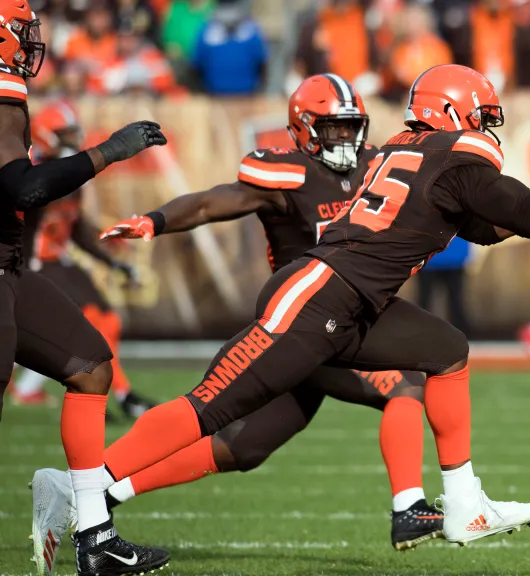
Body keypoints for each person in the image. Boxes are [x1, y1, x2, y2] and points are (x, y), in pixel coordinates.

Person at [46, 63, 530, 549]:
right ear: (454, 115)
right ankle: (82, 491)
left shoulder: (411, 154)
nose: (486, 128)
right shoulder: (450, 159)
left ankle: (463, 505)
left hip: (352, 303)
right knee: (209, 406)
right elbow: (529, 217)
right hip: (314, 297)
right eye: (481, 116)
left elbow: (495, 227)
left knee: (447, 350)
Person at [93, 74, 444, 551]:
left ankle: (102, 493)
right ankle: (408, 508)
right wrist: (156, 221)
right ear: (303, 128)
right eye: (333, 128)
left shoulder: (376, 166)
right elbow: (210, 203)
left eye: (350, 126)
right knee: (406, 385)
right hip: (304, 324)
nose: (344, 137)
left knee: (243, 447)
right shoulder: (288, 175)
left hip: (344, 323)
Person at [0, 1, 170, 574]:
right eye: (20, 32)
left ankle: (95, 535)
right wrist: (106, 152)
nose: (30, 42)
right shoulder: (4, 95)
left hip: (11, 268)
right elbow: (23, 189)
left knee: (90, 365)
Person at [11, 100, 157, 419]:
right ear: (46, 135)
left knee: (109, 320)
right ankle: (123, 395)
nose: (72, 140)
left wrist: (114, 263)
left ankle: (112, 393)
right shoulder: (31, 172)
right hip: (33, 262)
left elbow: (75, 231)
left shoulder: (69, 177)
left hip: (58, 260)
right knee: (88, 320)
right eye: (64, 134)